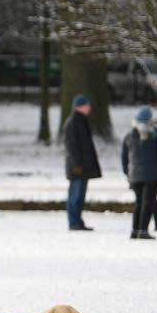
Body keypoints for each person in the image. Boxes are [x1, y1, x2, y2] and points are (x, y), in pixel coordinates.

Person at [121, 107, 157, 240]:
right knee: (147, 202)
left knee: (138, 203)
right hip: (153, 175)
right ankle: (143, 230)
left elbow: (124, 157)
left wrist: (128, 173)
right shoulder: (155, 134)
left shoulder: (130, 135)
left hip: (135, 176)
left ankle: (134, 230)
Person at [62, 95, 101, 231]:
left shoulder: (81, 121)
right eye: (87, 105)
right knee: (75, 195)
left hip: (82, 166)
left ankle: (77, 221)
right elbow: (72, 147)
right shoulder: (73, 123)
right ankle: (74, 222)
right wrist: (78, 165)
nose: (89, 108)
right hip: (77, 167)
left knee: (80, 195)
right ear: (81, 107)